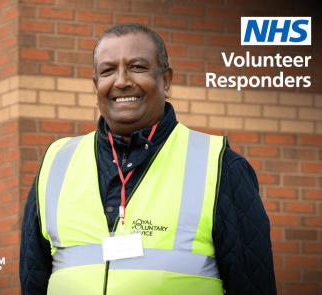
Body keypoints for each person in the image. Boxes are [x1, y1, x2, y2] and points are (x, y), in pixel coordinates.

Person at [20, 23, 276, 295]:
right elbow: (33, 280)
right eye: (107, 71)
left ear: (165, 81)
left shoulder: (220, 165)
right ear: (96, 85)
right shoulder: (56, 162)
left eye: (137, 67)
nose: (121, 81)